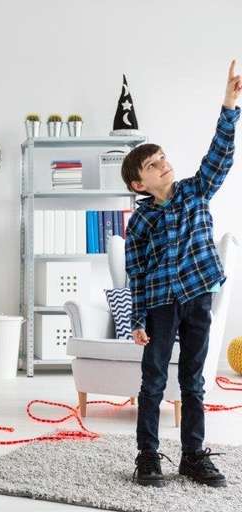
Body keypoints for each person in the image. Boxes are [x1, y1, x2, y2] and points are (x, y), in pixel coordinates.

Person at [120, 60, 241, 488]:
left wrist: (229, 106)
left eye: (162, 158)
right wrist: (136, 319)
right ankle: (148, 455)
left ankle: (192, 455)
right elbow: (135, 273)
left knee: (193, 379)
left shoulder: (195, 191)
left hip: (197, 297)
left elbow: (219, 156)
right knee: (153, 380)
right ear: (138, 184)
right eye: (151, 165)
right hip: (158, 305)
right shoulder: (140, 222)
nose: (162, 165)